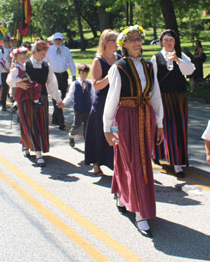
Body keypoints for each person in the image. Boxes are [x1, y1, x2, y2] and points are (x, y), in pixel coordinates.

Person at [103, 25, 164, 237]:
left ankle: (123, 194)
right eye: (132, 40)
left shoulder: (150, 65)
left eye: (139, 39)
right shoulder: (118, 68)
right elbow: (111, 100)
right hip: (126, 117)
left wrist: (160, 124)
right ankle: (140, 212)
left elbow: (156, 96)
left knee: (141, 162)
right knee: (131, 161)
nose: (137, 43)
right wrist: (108, 128)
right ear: (124, 45)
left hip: (145, 116)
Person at [7, 40, 64, 167]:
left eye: (45, 54)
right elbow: (11, 79)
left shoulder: (46, 66)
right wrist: (17, 84)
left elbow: (52, 84)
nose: (44, 56)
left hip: (41, 97)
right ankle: (37, 153)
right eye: (42, 54)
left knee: (41, 123)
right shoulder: (24, 64)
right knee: (30, 123)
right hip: (27, 98)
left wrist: (58, 99)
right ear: (35, 52)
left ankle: (29, 145)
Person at [151, 29, 195, 177]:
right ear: (162, 42)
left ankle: (177, 160)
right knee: (165, 128)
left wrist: (177, 59)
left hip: (179, 97)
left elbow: (189, 71)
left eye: (171, 40)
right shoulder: (156, 58)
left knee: (179, 128)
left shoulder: (181, 56)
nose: (169, 43)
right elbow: (153, 81)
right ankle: (164, 157)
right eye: (166, 40)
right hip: (164, 98)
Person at [84, 29, 119, 176]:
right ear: (105, 42)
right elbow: (96, 85)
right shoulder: (98, 60)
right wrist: (110, 75)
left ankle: (115, 163)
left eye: (117, 40)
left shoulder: (119, 57)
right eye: (113, 40)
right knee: (99, 133)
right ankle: (96, 164)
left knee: (115, 133)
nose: (116, 43)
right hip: (102, 101)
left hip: (116, 100)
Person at [46, 32, 76, 130]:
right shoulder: (49, 50)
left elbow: (70, 62)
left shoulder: (66, 50)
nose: (58, 41)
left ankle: (55, 117)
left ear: (62, 41)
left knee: (61, 97)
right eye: (56, 40)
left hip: (63, 75)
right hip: (53, 75)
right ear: (53, 40)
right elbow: (45, 62)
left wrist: (74, 74)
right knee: (56, 97)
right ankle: (61, 120)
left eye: (60, 40)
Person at [63, 64, 94, 148]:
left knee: (88, 127)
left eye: (86, 74)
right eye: (82, 73)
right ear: (79, 73)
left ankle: (87, 144)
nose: (84, 75)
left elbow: (93, 96)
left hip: (88, 109)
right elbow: (70, 95)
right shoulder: (75, 84)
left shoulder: (90, 84)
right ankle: (71, 136)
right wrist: (64, 103)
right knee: (76, 125)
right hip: (78, 109)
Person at [0, 36, 12, 111]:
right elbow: (0, 61)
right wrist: (6, 69)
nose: (6, 42)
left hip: (12, 71)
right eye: (4, 41)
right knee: (5, 87)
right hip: (4, 71)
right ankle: (3, 103)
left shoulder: (13, 50)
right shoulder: (1, 51)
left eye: (7, 40)